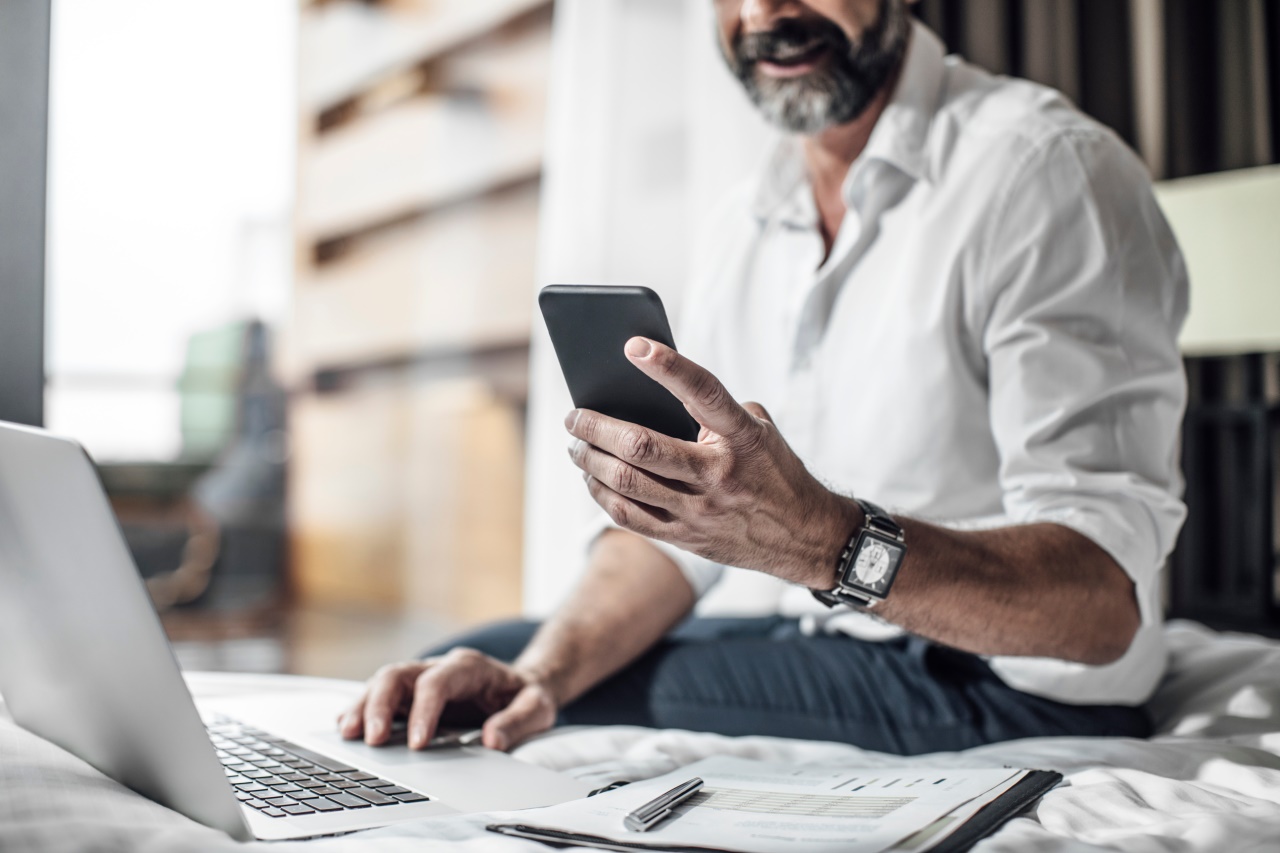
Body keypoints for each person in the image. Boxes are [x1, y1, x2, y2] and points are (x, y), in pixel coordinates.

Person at [340, 0, 1188, 756]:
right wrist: (545, 673)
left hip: (1006, 685)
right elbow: (680, 540)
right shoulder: (747, 219)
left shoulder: (1047, 174)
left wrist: (824, 539)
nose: (763, 12)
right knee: (487, 663)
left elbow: (1100, 603)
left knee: (529, 720)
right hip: (816, 644)